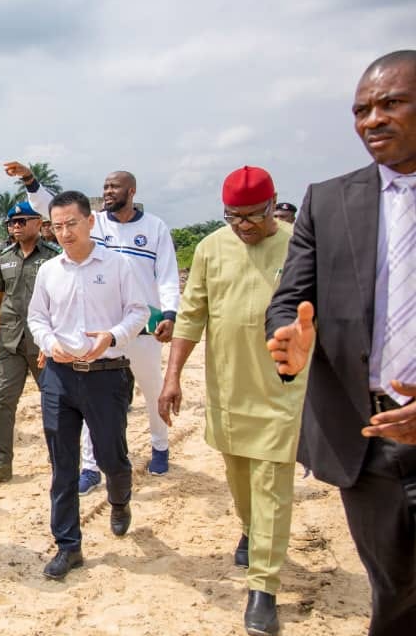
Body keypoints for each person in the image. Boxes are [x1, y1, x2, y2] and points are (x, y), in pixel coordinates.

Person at [266, 50, 416, 636]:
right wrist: (291, 335)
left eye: (391, 103)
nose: (372, 119)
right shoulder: (327, 202)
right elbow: (290, 299)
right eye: (361, 110)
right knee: (395, 595)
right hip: (371, 440)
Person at [159, 166, 305, 636]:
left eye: (252, 216)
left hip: (284, 391)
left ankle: (263, 587)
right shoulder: (209, 249)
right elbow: (193, 314)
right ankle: (251, 528)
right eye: (232, 217)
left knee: (270, 486)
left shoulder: (302, 246)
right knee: (240, 478)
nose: (243, 226)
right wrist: (172, 376)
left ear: (273, 204)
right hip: (228, 389)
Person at [10, 162, 180, 486]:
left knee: (150, 386)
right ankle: (90, 467)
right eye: (104, 187)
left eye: (115, 187)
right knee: (89, 392)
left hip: (139, 324)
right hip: (94, 327)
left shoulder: (155, 228)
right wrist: (30, 180)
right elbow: (52, 206)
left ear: (132, 192)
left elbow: (169, 276)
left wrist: (170, 313)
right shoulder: (92, 223)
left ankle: (160, 445)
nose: (107, 192)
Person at [27, 190, 149, 581]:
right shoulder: (49, 271)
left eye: (71, 224)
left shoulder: (118, 265)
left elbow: (138, 312)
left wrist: (111, 337)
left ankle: (119, 499)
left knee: (111, 456)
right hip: (59, 379)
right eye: (57, 226)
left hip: (106, 377)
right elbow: (37, 319)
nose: (64, 233)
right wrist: (49, 343)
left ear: (90, 221)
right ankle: (68, 546)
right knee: (63, 466)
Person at [0, 202, 61, 482]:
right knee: (3, 399)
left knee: (54, 400)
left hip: (44, 343)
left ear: (39, 222)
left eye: (22, 221)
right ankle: (1, 462)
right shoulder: (5, 257)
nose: (15, 226)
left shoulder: (54, 258)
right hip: (10, 340)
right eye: (11, 222)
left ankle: (60, 458)